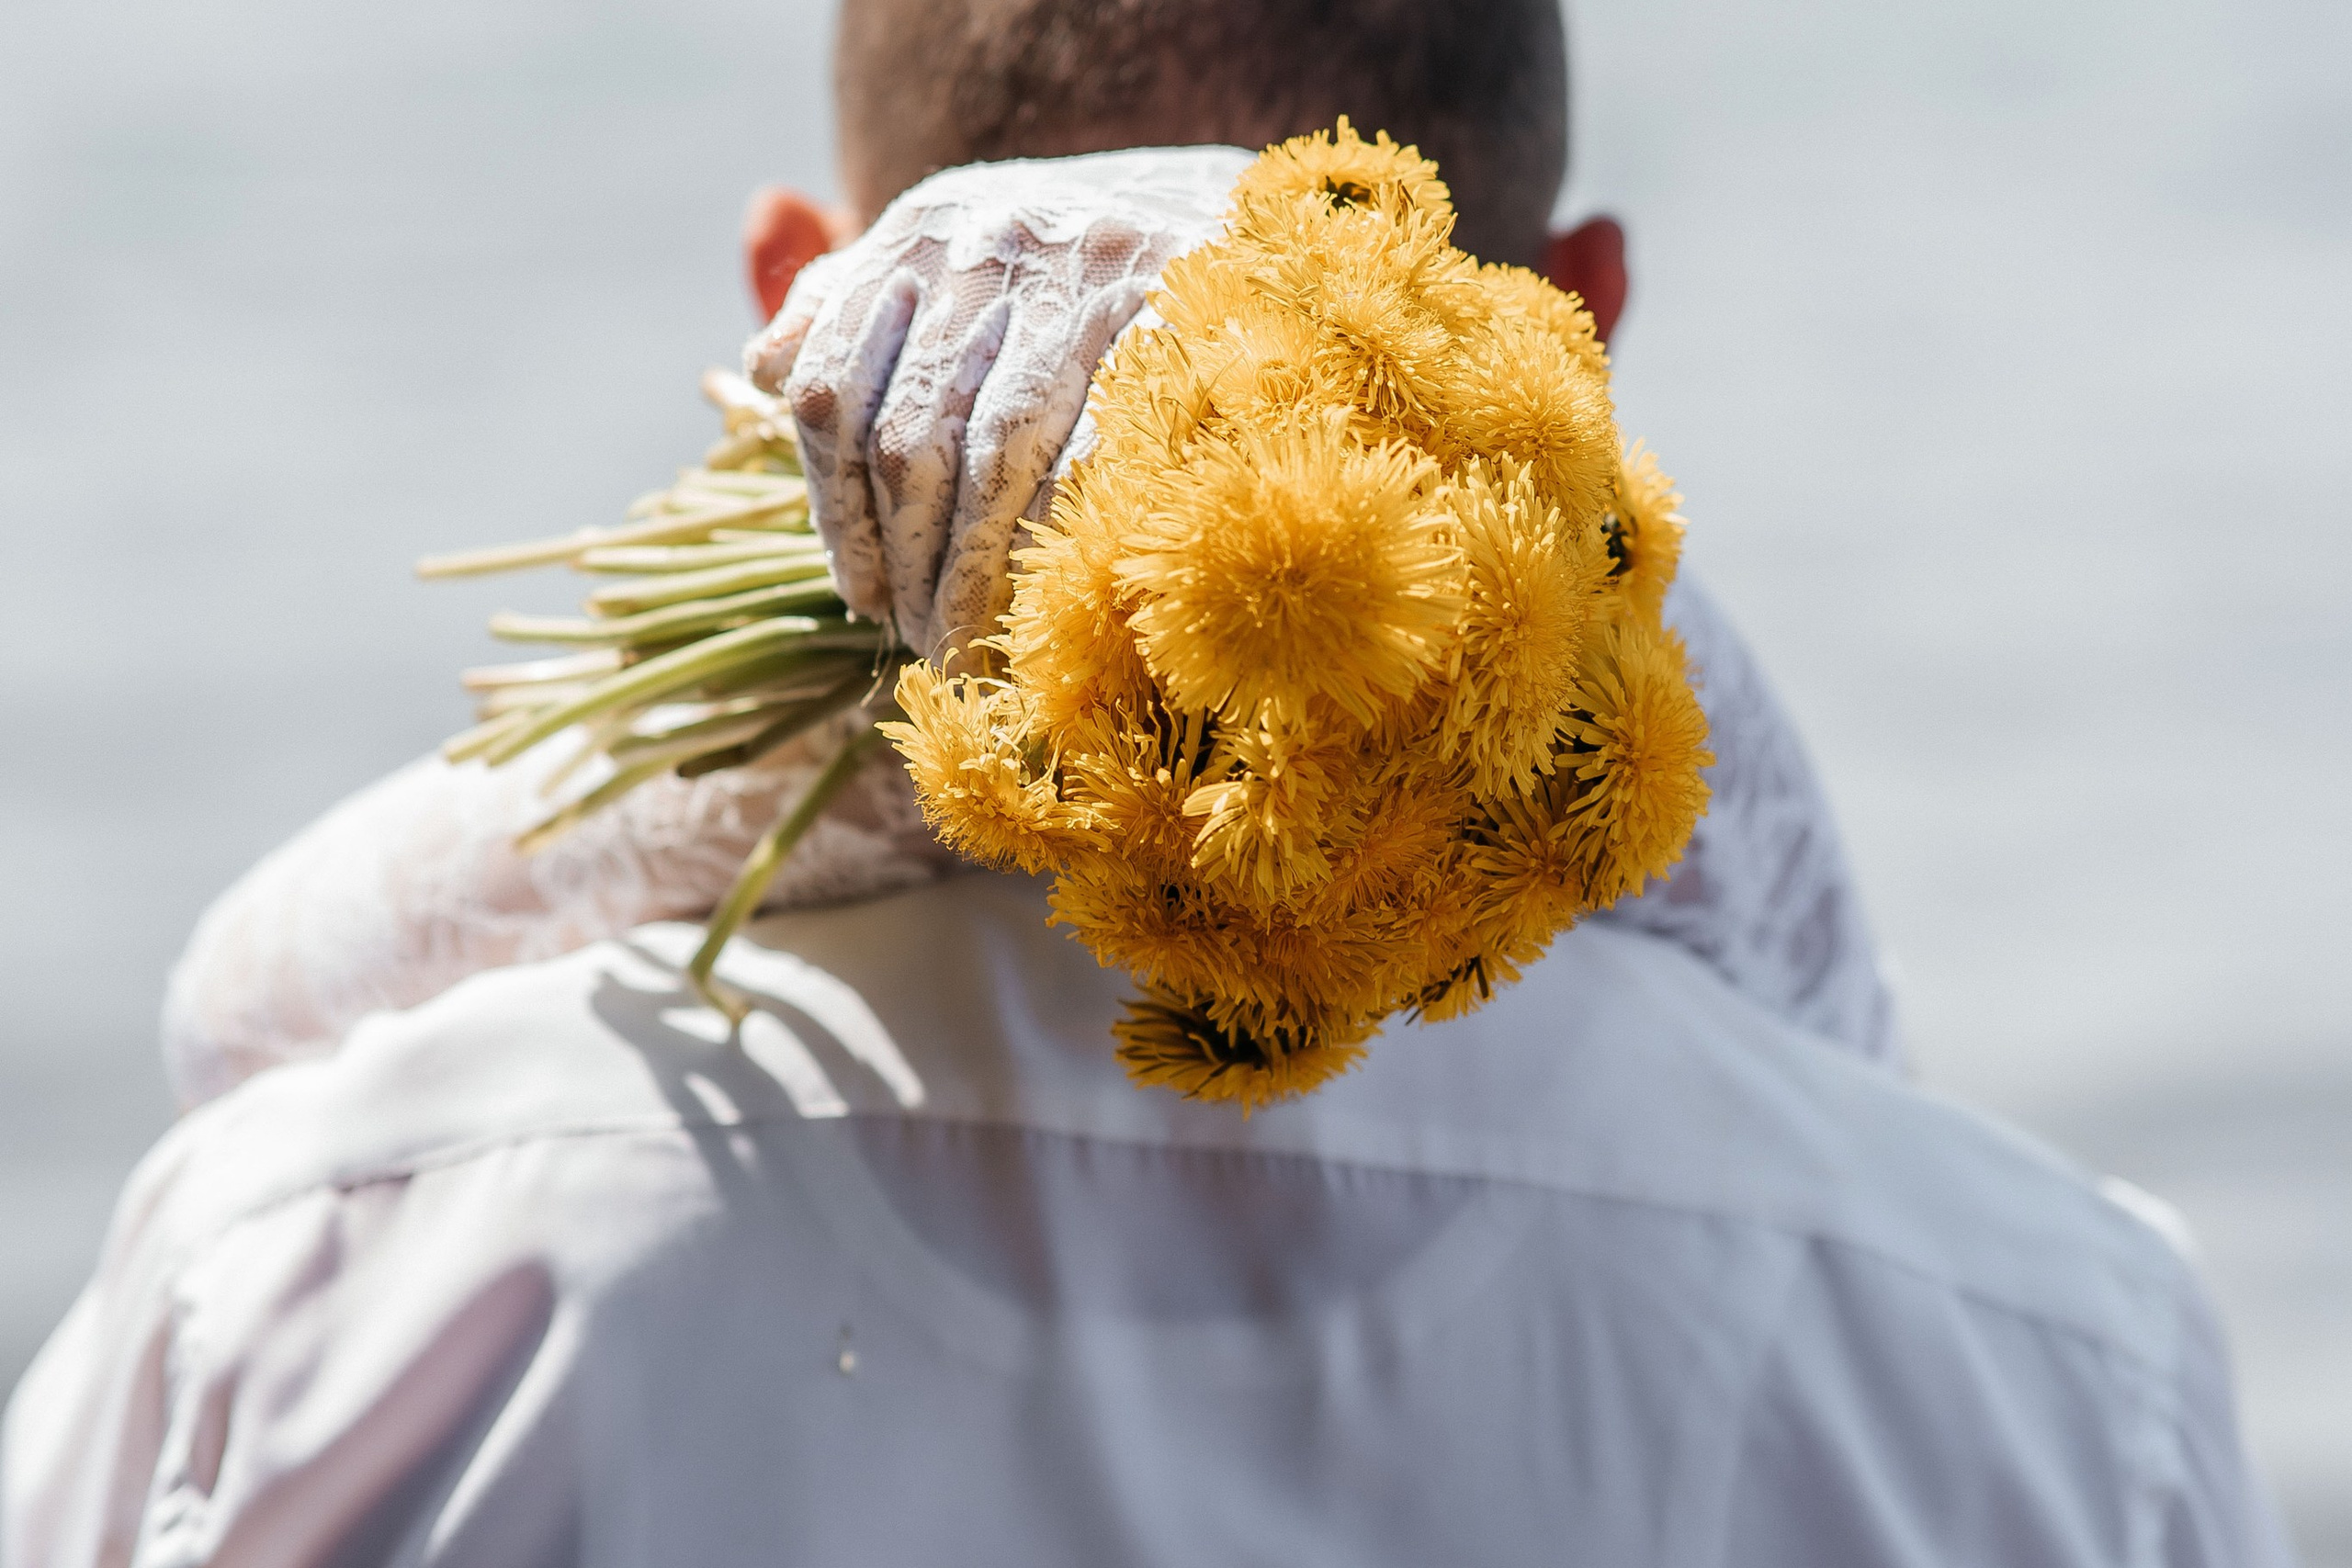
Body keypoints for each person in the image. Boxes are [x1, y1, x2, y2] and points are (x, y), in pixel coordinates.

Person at [1, 2, 2293, 1562]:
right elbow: (1824, 1027)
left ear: (796, 320)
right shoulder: (2052, 1358)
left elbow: (241, 1009)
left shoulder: (316, 1258)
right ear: (1570, 328)